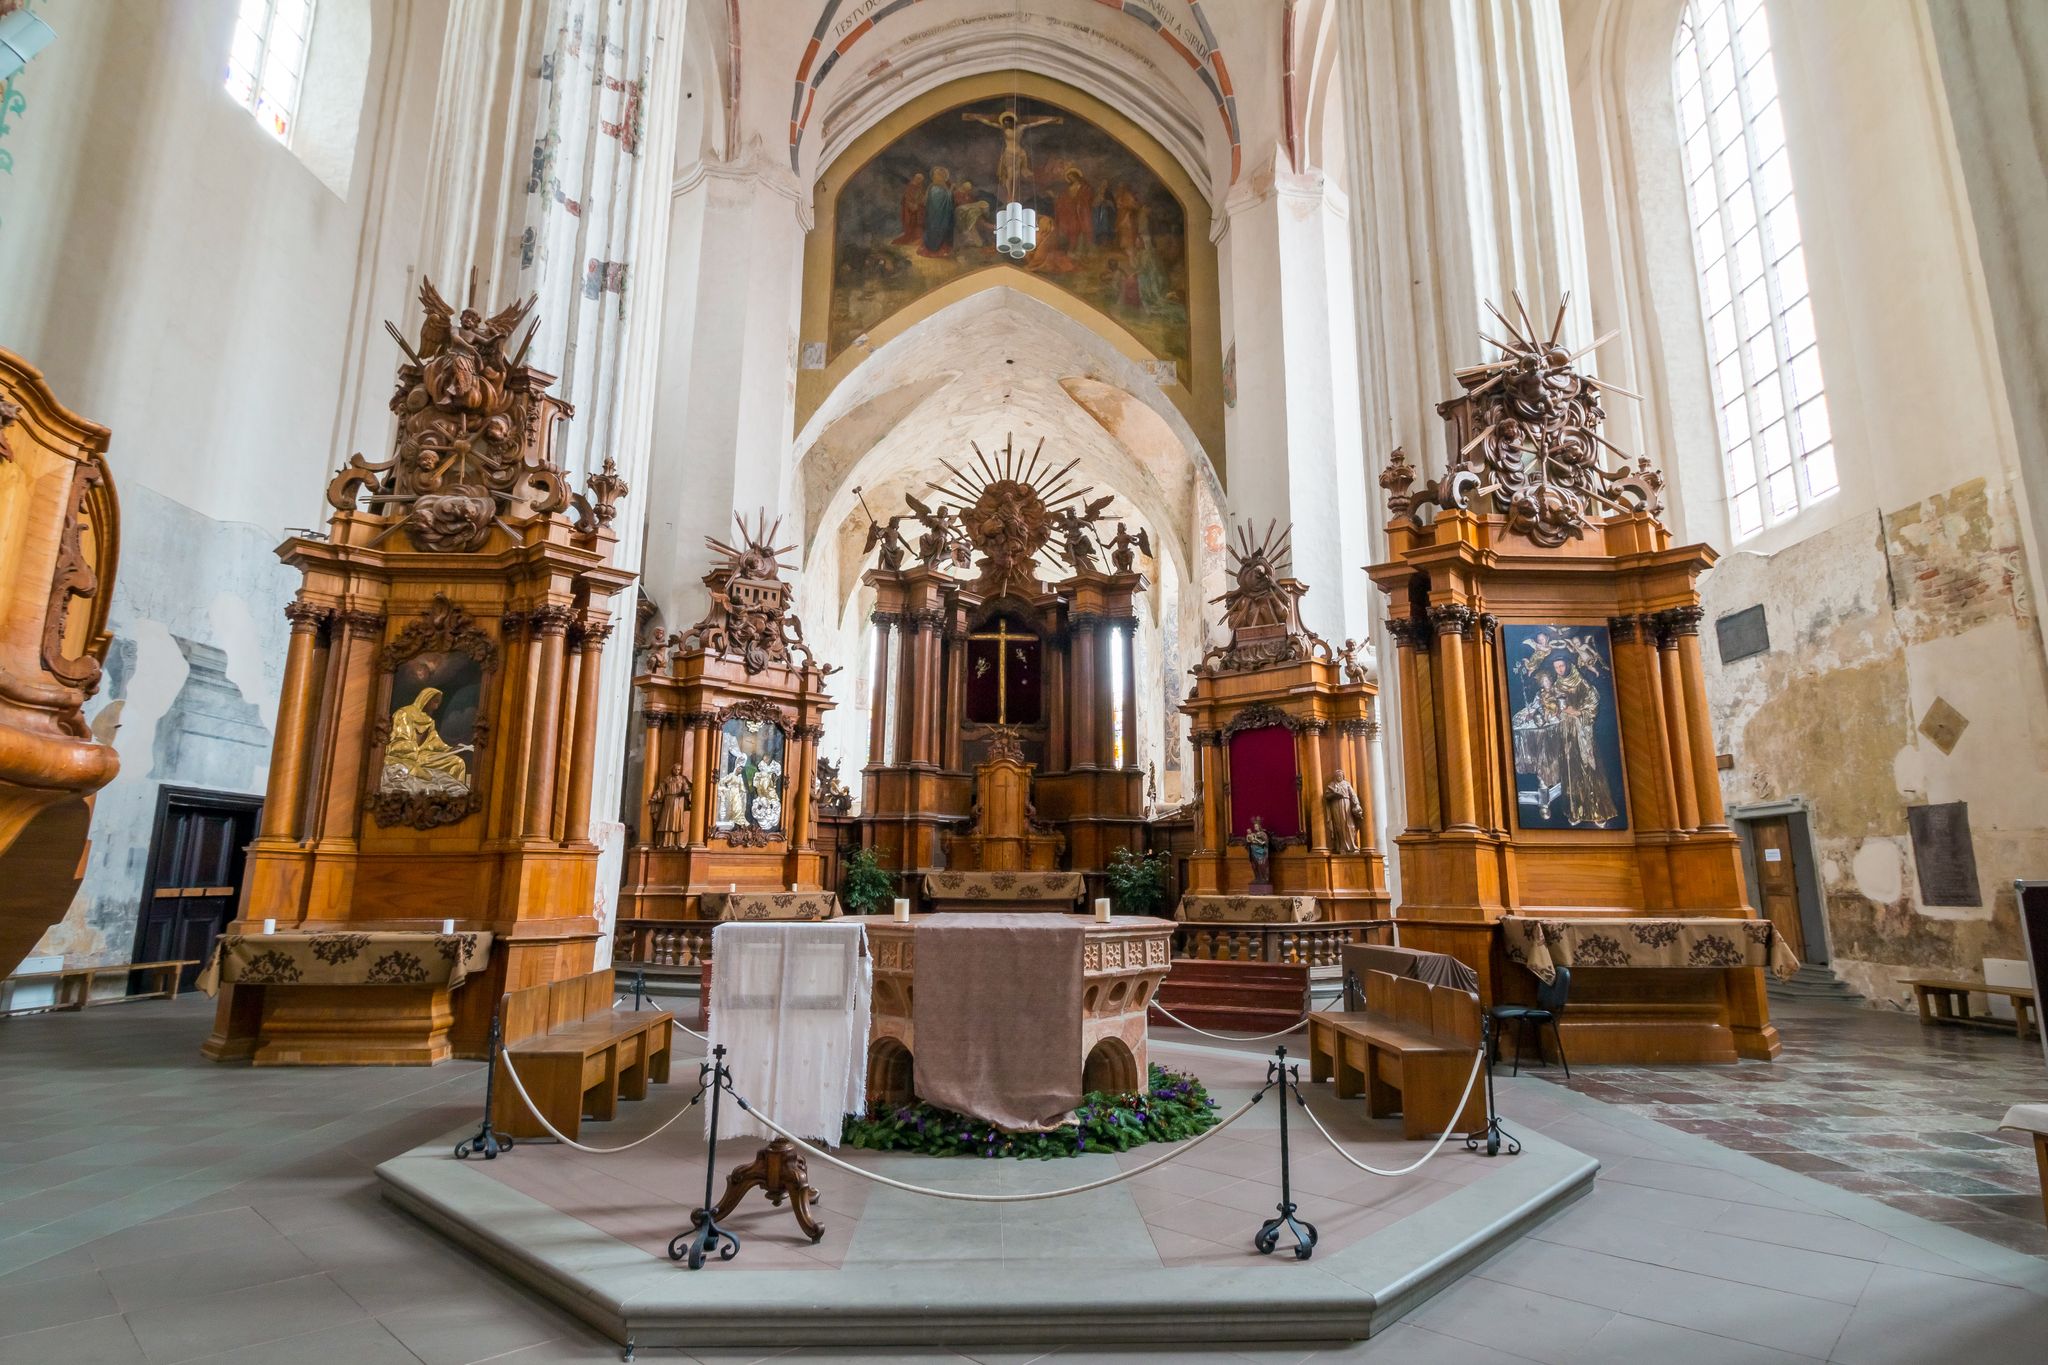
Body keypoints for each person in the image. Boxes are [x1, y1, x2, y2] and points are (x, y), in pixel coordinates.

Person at [384, 686, 469, 789]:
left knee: (457, 762)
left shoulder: (429, 721)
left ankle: (454, 796)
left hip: (423, 756)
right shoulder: (404, 713)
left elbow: (435, 742)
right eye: (435, 702)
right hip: (406, 754)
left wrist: (450, 749)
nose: (436, 707)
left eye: (438, 703)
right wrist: (412, 749)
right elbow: (400, 738)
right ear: (426, 699)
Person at [1054, 167, 1094, 259]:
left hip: (1081, 211)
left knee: (1084, 229)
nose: (1071, 179)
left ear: (1076, 176)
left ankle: (1084, 251)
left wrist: (1080, 202)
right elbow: (1063, 199)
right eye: (1069, 177)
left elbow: (1088, 197)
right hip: (1071, 212)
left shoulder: (1084, 187)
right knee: (1073, 230)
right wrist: (1058, 201)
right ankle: (1072, 250)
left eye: (1072, 176)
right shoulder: (1069, 188)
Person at [651, 763, 691, 849]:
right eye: (675, 769)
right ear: (672, 769)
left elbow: (686, 789)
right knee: (667, 821)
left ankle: (676, 843)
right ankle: (665, 843)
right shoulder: (667, 779)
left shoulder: (682, 779)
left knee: (676, 823)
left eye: (679, 770)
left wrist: (687, 792)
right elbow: (660, 790)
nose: (677, 771)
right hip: (669, 801)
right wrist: (654, 798)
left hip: (679, 801)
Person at [1324, 772, 1364, 854]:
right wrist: (1334, 794)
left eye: (1340, 775)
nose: (1339, 777)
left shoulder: (1347, 784)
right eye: (1337, 776)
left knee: (1350, 825)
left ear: (1343, 776)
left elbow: (1353, 795)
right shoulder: (1332, 784)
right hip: (1336, 805)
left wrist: (1356, 804)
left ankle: (1352, 846)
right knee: (1339, 826)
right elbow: (1327, 796)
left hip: (1346, 804)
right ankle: (1341, 846)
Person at [920, 167, 956, 258]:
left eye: (939, 175)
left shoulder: (940, 186)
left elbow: (946, 198)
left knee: (942, 229)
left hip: (942, 214)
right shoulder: (934, 187)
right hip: (935, 214)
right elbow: (940, 200)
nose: (937, 177)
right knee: (935, 229)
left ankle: (939, 247)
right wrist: (951, 189)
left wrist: (949, 191)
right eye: (936, 175)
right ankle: (933, 248)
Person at [892, 171, 926, 246]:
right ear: (915, 178)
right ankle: (910, 239)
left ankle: (916, 239)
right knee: (911, 226)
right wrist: (915, 205)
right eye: (918, 179)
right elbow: (907, 200)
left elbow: (921, 197)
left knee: (918, 227)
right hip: (910, 211)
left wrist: (922, 201)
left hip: (917, 210)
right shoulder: (910, 187)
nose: (920, 181)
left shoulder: (919, 187)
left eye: (921, 179)